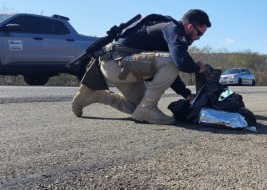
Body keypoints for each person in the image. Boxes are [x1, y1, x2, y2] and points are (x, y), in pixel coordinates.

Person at [71, 9, 210, 125]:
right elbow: (179, 62)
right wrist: (198, 68)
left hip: (117, 65)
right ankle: (148, 107)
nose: (199, 38)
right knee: (170, 63)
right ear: (190, 26)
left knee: (136, 108)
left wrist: (186, 94)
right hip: (118, 64)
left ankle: (95, 95)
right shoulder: (172, 28)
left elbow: (168, 71)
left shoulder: (168, 33)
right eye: (200, 33)